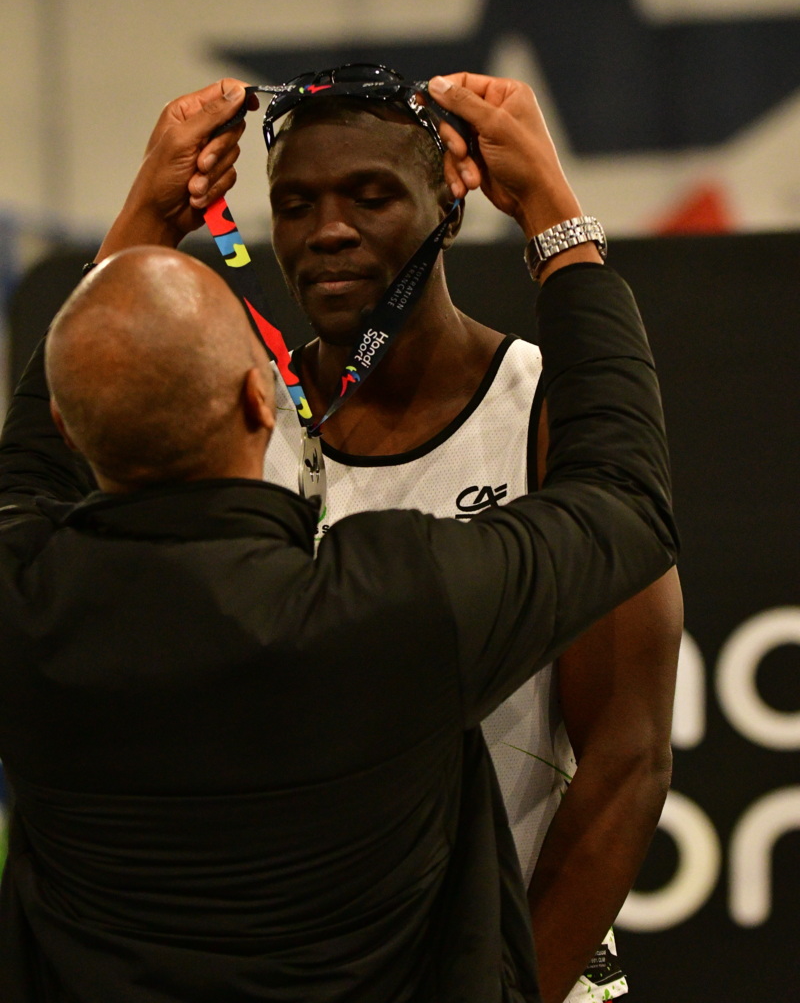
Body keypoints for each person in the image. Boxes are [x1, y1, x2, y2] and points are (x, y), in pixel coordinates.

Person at [0, 74, 677, 1003]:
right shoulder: (242, 441)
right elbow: (623, 501)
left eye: (371, 195)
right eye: (293, 204)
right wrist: (558, 223)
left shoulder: (538, 407)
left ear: (449, 203)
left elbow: (629, 757)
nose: (328, 230)